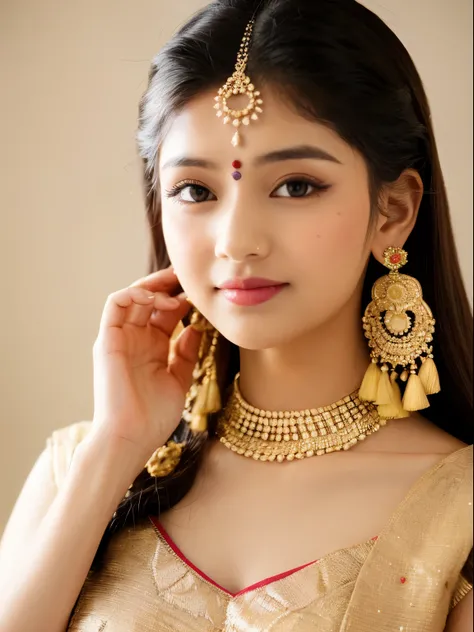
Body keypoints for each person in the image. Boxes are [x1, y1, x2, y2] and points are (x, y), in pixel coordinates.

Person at [0, 0, 472, 630]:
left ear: (392, 211)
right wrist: (117, 445)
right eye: (195, 190)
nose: (236, 241)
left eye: (295, 186)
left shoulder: (459, 512)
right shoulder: (78, 467)